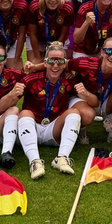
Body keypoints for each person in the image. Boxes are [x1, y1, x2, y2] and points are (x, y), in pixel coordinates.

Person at [17, 41, 85, 178]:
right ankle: (34, 162)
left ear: (65, 63)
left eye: (59, 62)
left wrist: (85, 93)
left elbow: (94, 103)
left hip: (54, 129)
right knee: (24, 113)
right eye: (51, 61)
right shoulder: (31, 78)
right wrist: (13, 93)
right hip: (33, 127)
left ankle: (62, 158)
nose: (55, 65)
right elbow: (2, 106)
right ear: (45, 62)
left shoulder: (69, 79)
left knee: (75, 113)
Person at [27, 0, 74, 64]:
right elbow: (32, 34)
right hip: (38, 39)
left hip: (59, 39)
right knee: (34, 66)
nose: (53, 0)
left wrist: (54, 51)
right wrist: (38, 57)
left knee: (56, 64)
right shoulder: (34, 6)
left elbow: (63, 35)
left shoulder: (67, 8)